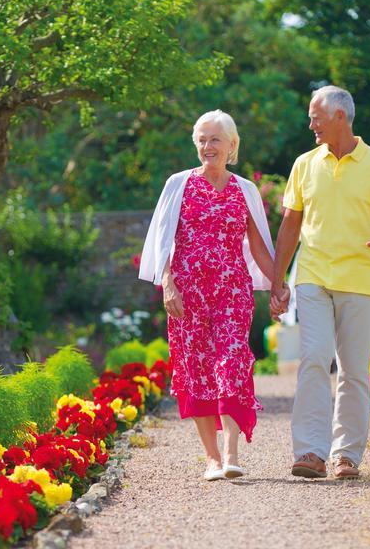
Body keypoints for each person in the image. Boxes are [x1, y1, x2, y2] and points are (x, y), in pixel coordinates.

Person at [269, 86, 370, 480]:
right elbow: (289, 226)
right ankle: (311, 451)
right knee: (313, 357)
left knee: (354, 370)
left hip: (361, 278)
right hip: (313, 276)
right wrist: (278, 283)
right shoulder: (304, 164)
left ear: (340, 117)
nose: (310, 124)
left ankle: (347, 455)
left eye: (316, 117)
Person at [139, 110, 276, 481]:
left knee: (232, 362)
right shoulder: (179, 184)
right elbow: (163, 240)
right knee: (196, 370)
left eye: (214, 139)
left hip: (233, 291)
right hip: (188, 294)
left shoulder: (244, 189)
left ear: (231, 145)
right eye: (201, 139)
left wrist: (278, 285)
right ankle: (212, 459)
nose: (206, 146)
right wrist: (167, 283)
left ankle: (231, 453)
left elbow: (259, 247)